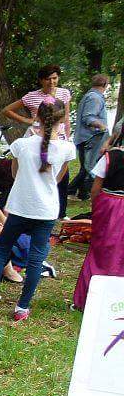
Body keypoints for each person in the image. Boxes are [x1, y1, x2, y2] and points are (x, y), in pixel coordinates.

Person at [0, 100, 74, 321]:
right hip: (46, 210)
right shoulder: (67, 148)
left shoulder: (22, 144)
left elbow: (13, 173)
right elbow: (59, 178)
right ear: (61, 121)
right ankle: (22, 307)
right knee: (36, 258)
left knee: (2, 249)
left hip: (21, 207)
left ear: (36, 118)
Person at [2, 65, 74, 217]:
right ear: (41, 80)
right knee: (35, 171)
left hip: (58, 138)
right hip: (38, 137)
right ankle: (30, 205)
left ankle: (60, 211)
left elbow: (66, 118)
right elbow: (7, 110)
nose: (52, 82)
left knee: (61, 174)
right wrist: (28, 120)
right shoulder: (32, 96)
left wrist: (67, 136)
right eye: (48, 79)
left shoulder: (64, 93)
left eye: (54, 78)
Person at [73, 130, 124, 311]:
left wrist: (97, 209)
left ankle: (87, 299)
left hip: (109, 206)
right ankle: (115, 302)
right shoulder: (110, 155)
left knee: (100, 251)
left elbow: (96, 188)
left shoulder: (110, 156)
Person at [72, 74, 112, 201]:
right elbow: (88, 117)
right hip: (90, 138)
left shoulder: (91, 96)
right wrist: (103, 127)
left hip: (86, 138)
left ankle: (81, 194)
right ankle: (70, 190)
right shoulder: (94, 98)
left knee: (86, 168)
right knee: (90, 168)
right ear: (105, 85)